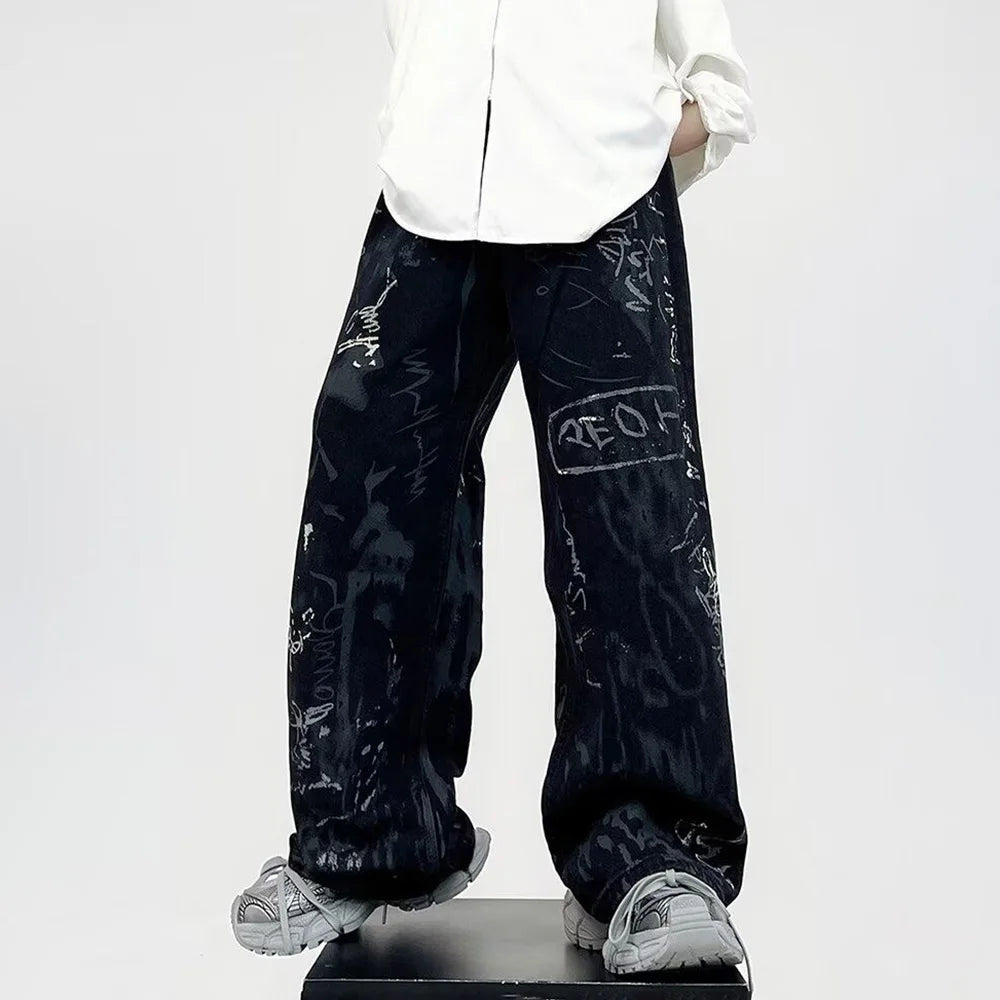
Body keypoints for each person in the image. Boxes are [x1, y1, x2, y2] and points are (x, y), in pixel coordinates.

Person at [230, 1, 757, 992]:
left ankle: (648, 860)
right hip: (428, 196)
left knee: (629, 516)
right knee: (367, 478)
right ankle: (370, 837)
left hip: (600, 201)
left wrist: (619, 134)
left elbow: (717, 86)